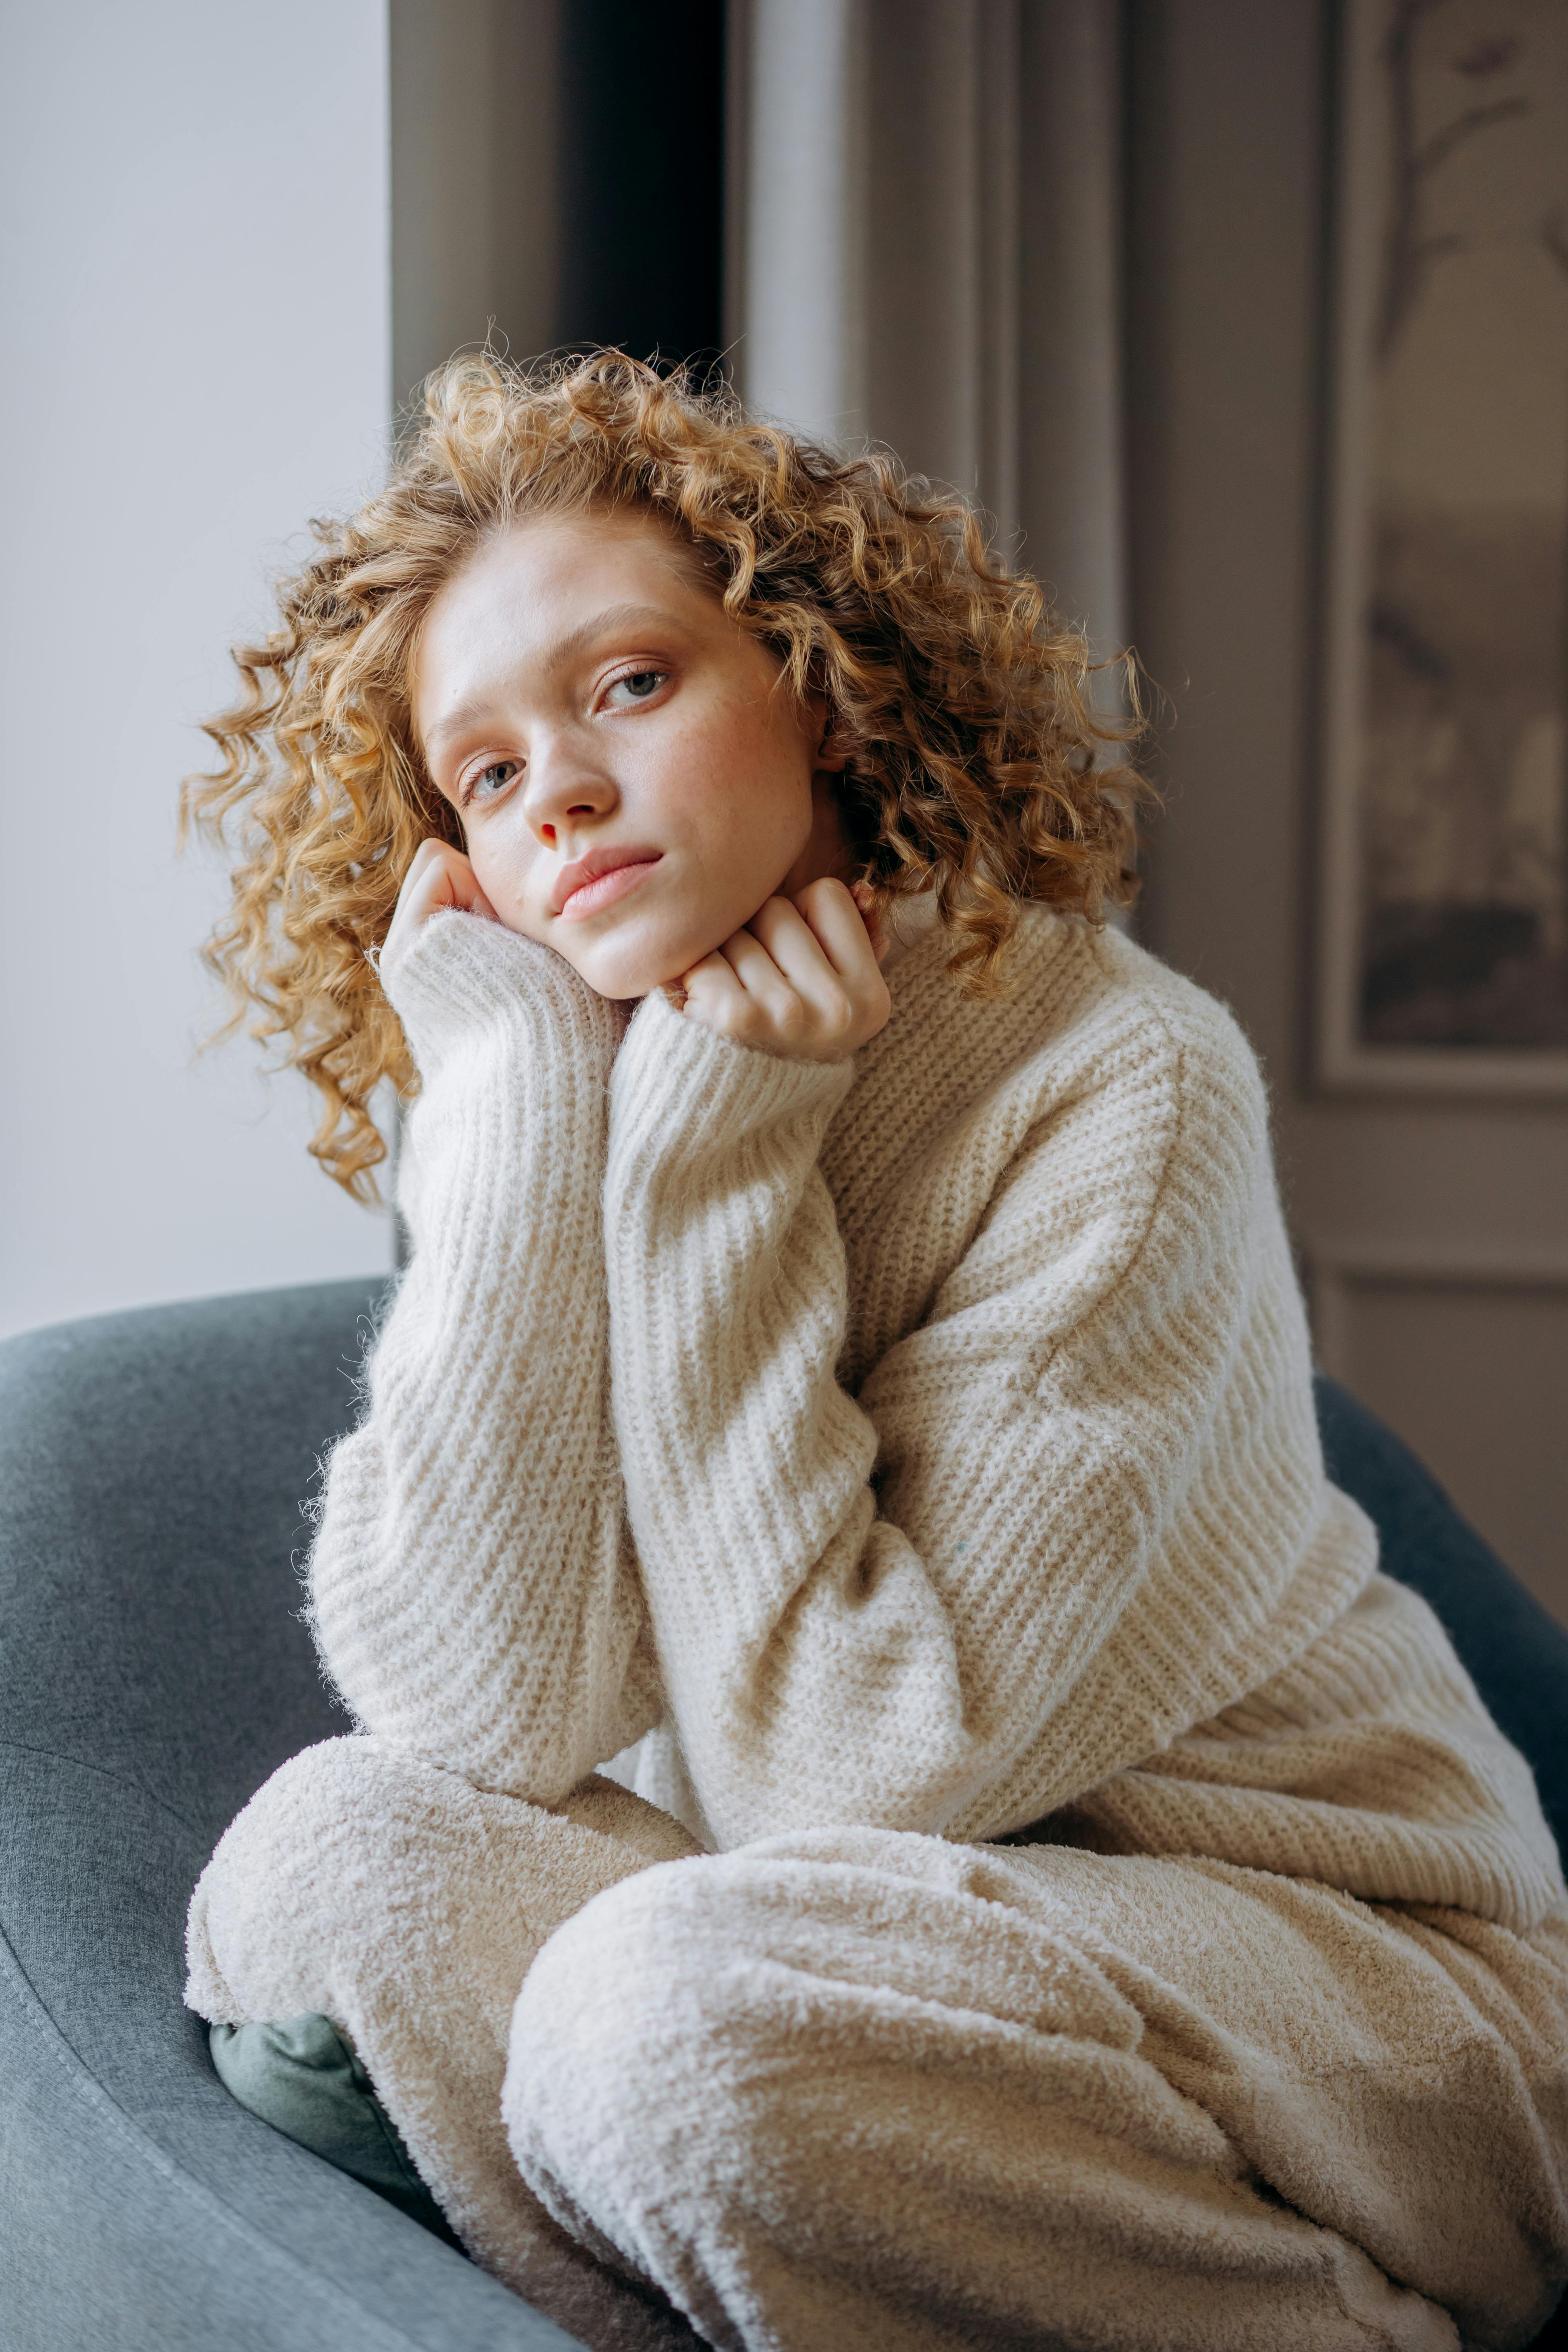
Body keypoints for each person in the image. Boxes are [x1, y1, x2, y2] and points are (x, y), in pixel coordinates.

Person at [182, 352, 1568, 2352]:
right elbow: (481, 1718)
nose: (555, 786)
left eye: (630, 684)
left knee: (661, 2027)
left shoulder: (1120, 1082)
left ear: (820, 687)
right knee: (332, 1861)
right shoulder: (570, 1071)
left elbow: (853, 1783)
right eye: (482, 774)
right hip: (832, 1955)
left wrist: (725, 1167)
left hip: (1345, 1986)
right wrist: (496, 1120)